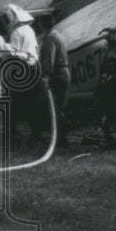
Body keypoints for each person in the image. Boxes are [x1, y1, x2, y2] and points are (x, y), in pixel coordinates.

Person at [0, 3, 47, 141]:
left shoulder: (16, 32)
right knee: (34, 102)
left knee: (12, 100)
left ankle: (11, 132)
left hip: (23, 69)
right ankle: (36, 132)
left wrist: (4, 48)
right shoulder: (29, 29)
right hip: (34, 67)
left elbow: (15, 53)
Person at [37, 12, 71, 148]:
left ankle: (60, 139)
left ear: (41, 25)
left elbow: (49, 62)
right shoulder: (57, 35)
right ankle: (60, 138)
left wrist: (44, 76)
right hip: (64, 72)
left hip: (57, 74)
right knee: (60, 107)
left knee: (55, 108)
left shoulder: (50, 38)